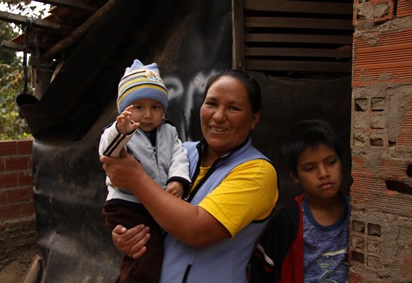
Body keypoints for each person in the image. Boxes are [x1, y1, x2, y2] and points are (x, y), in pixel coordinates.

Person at [100, 69, 279, 283]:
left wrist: (136, 179)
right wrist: (126, 235)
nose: (218, 116)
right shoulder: (182, 152)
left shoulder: (257, 171)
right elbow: (143, 205)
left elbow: (197, 231)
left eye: (233, 108)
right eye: (211, 104)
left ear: (254, 119)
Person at [98, 59, 191, 283]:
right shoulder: (118, 132)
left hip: (153, 203)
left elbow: (179, 157)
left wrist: (178, 181)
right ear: (125, 110)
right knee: (147, 253)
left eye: (155, 107)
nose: (148, 115)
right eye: (138, 107)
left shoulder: (169, 132)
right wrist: (122, 131)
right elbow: (108, 152)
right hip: (126, 204)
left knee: (140, 255)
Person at [250, 119, 350, 283]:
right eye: (310, 168)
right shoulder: (287, 222)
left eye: (331, 162)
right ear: (295, 175)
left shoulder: (359, 211)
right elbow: (261, 270)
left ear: (343, 162)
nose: (323, 173)